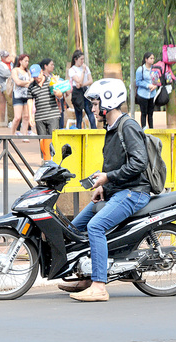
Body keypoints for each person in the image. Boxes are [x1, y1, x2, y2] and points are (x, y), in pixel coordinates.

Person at [60, 78, 151, 302]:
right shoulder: (112, 128)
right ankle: (87, 275)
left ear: (108, 102)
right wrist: (104, 186)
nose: (92, 108)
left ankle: (99, 286)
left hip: (134, 192)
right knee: (74, 227)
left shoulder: (128, 127)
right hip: (117, 190)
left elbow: (139, 163)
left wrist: (108, 177)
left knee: (96, 226)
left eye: (95, 103)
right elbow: (116, 164)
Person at [28, 62, 63, 162]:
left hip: (52, 115)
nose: (36, 78)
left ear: (42, 72)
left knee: (53, 138)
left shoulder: (51, 82)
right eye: (34, 77)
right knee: (42, 140)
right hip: (40, 116)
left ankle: (55, 159)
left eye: (38, 75)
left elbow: (60, 96)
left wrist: (58, 93)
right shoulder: (31, 87)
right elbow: (30, 101)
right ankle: (45, 160)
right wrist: (31, 116)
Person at [68, 50, 97, 129]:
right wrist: (83, 72)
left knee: (90, 113)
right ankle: (79, 132)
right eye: (81, 59)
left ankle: (94, 131)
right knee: (79, 116)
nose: (82, 61)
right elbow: (78, 80)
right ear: (75, 59)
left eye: (83, 59)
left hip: (85, 90)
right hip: (77, 93)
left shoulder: (86, 67)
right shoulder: (72, 70)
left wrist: (83, 84)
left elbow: (90, 80)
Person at [40, 58, 68, 129]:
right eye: (51, 65)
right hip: (48, 106)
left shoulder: (53, 77)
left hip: (58, 103)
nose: (53, 66)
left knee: (60, 124)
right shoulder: (41, 77)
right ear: (45, 66)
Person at [11, 53, 34, 142]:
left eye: (28, 61)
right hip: (17, 95)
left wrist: (26, 82)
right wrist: (27, 82)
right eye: (25, 61)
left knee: (26, 116)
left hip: (27, 95)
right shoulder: (15, 70)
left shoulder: (28, 72)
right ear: (20, 61)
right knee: (17, 117)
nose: (27, 63)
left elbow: (31, 82)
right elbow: (18, 82)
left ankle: (24, 135)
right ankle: (12, 134)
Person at [135, 52, 158, 129]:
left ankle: (151, 129)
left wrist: (155, 85)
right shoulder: (140, 69)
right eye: (151, 58)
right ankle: (144, 129)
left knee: (150, 113)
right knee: (144, 113)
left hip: (152, 94)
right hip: (143, 94)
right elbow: (138, 82)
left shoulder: (154, 69)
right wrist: (147, 85)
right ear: (146, 59)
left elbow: (156, 79)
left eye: (153, 58)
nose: (152, 60)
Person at [0, 50, 14, 127]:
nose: (7, 58)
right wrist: (15, 72)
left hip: (15, 86)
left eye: (8, 56)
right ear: (2, 57)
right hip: (6, 87)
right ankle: (11, 121)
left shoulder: (12, 64)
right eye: (5, 56)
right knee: (10, 102)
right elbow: (6, 74)